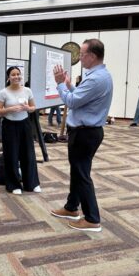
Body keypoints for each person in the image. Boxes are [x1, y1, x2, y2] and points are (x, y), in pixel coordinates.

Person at [51, 39, 113, 232]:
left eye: (83, 54)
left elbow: (73, 102)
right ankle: (71, 207)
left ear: (93, 56)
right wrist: (69, 85)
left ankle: (92, 218)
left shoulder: (96, 78)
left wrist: (61, 85)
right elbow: (81, 97)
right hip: (86, 132)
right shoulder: (99, 75)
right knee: (78, 171)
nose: (80, 58)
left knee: (82, 174)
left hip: (85, 133)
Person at [0, 66, 41, 195]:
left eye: (18, 74)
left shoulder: (27, 90)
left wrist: (27, 108)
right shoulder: (3, 92)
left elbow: (33, 108)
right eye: (13, 74)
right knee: (11, 155)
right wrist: (10, 109)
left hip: (25, 125)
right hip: (9, 126)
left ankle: (32, 183)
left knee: (28, 154)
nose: (16, 77)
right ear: (8, 77)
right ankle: (13, 184)